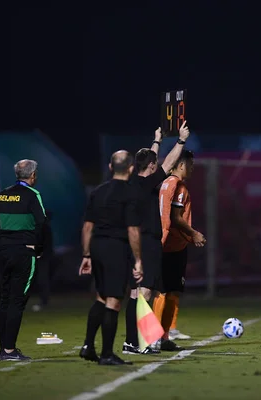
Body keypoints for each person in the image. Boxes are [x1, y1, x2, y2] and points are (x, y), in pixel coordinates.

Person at [122, 122, 190, 355]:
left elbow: (152, 160)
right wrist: (181, 140)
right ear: (151, 166)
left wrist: (157, 140)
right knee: (145, 293)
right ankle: (138, 341)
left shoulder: (134, 182)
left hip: (133, 243)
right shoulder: (148, 183)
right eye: (155, 164)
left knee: (136, 293)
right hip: (146, 242)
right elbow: (168, 163)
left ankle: (132, 341)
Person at [78, 150, 143, 366]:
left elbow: (87, 226)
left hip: (96, 246)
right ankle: (107, 354)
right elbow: (133, 230)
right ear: (131, 168)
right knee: (114, 301)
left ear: (110, 167)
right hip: (116, 247)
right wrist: (138, 259)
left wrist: (86, 254)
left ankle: (88, 346)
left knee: (101, 296)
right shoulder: (130, 193)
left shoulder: (98, 191)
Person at [0, 159, 47, 361]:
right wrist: (39, 248)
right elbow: (42, 223)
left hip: (3, 252)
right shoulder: (33, 195)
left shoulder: (3, 194)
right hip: (24, 251)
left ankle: (5, 349)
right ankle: (9, 351)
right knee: (17, 300)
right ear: (33, 175)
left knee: (5, 299)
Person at [152, 150, 206, 351]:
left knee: (168, 292)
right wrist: (193, 233)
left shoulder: (164, 183)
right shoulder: (179, 186)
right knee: (166, 292)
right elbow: (176, 217)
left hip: (165, 244)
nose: (192, 168)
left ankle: (161, 337)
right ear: (181, 164)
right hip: (172, 245)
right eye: (190, 164)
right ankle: (157, 337)